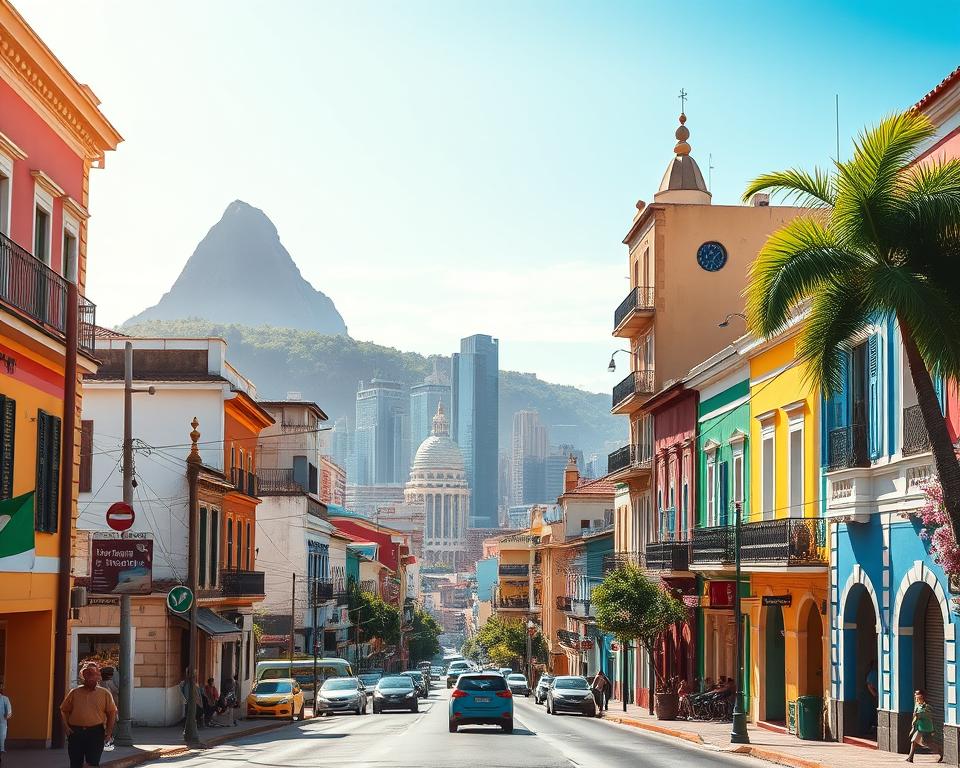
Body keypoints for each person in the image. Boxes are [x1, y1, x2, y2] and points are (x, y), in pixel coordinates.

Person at [60, 665, 117, 768]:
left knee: (92, 763)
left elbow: (112, 713)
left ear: (98, 676)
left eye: (93, 674)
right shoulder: (74, 692)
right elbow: (64, 710)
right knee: (75, 763)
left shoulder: (105, 693)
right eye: (87, 674)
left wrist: (108, 733)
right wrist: (66, 727)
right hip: (76, 732)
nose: (90, 677)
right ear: (83, 676)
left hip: (96, 733)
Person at [907, 689, 943, 763]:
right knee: (913, 741)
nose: (915, 697)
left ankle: (940, 752)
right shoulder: (917, 704)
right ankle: (910, 758)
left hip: (926, 728)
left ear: (921, 696)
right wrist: (913, 726)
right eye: (915, 695)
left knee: (928, 743)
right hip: (919, 727)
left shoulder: (927, 706)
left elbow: (925, 716)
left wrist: (918, 716)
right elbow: (915, 715)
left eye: (917, 695)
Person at [0, 681, 11, 765]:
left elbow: (9, 711)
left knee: (0, 742)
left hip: (1, 724)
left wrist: (7, 715)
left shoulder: (5, 699)